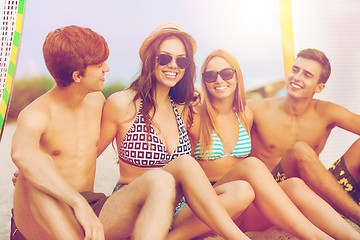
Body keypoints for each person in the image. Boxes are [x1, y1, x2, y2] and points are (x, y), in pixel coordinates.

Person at [166, 49, 360, 240]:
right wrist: (184, 96)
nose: (219, 80)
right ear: (203, 80)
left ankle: (351, 236)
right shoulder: (192, 116)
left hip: (240, 206)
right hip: (201, 205)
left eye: (226, 73)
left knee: (295, 186)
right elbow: (164, 123)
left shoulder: (245, 115)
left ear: (236, 77)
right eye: (210, 75)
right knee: (251, 167)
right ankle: (315, 237)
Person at [10, 25, 177, 240]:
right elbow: (22, 154)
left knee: (160, 180)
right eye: (99, 65)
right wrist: (74, 200)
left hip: (89, 207)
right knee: (32, 172)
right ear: (77, 75)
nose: (106, 68)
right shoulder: (36, 113)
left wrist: (191, 96)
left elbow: (88, 147)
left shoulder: (97, 101)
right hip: (44, 215)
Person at [98, 22, 253, 240]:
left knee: (242, 191)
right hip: (133, 204)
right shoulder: (123, 103)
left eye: (181, 60)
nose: (173, 65)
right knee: (183, 164)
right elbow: (89, 156)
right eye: (165, 58)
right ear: (150, 59)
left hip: (175, 208)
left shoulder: (181, 108)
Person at [248, 48, 360, 227]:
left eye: (307, 75)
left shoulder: (326, 111)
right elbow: (220, 114)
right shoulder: (257, 109)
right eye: (295, 69)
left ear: (319, 87)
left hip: (313, 196)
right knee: (299, 150)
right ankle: (356, 215)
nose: (297, 77)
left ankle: (343, 211)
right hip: (273, 195)